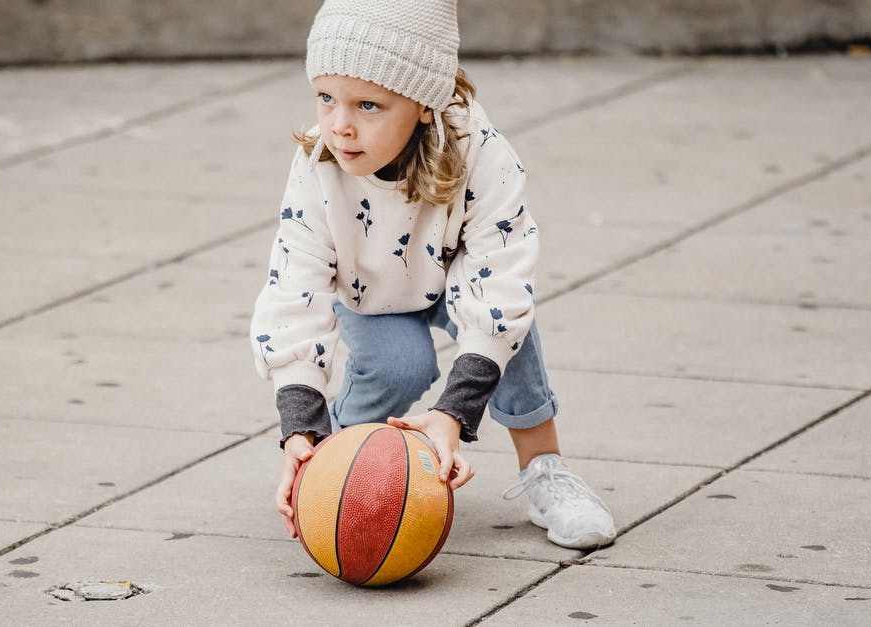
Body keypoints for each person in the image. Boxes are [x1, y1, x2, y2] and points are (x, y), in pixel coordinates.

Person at [250, 0, 615, 550]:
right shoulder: (319, 168)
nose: (339, 125)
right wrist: (301, 428)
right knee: (398, 366)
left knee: (510, 339)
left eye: (368, 104)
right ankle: (338, 466)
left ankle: (545, 470)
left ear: (425, 104)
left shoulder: (483, 154)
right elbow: (292, 289)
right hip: (373, 291)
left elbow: (500, 285)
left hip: (458, 274)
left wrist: (453, 415)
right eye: (325, 98)